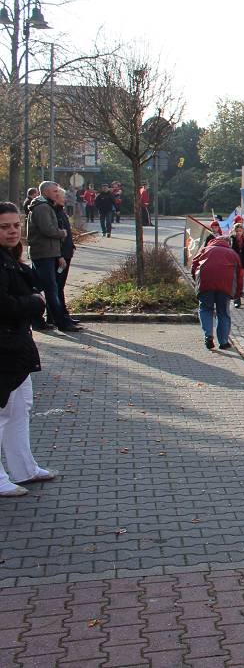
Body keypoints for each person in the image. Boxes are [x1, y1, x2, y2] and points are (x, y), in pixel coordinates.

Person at [0, 201, 57, 496]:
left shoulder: (10, 258)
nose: (12, 231)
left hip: (16, 346)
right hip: (5, 347)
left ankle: (24, 467)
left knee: (21, 408)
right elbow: (4, 306)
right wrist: (35, 302)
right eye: (4, 227)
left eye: (15, 225)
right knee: (3, 412)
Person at [24, 182, 79, 333]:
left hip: (47, 252)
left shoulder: (45, 206)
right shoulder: (42, 207)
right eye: (55, 191)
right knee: (50, 289)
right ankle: (60, 322)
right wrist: (62, 233)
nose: (57, 193)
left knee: (41, 287)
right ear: (46, 192)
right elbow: (48, 229)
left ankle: (40, 321)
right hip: (44, 253)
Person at [191, 234, 242, 351]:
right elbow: (240, 275)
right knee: (223, 312)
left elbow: (194, 266)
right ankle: (223, 342)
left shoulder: (205, 250)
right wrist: (237, 292)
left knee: (205, 309)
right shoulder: (233, 254)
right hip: (225, 286)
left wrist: (197, 281)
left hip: (205, 284)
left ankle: (208, 335)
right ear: (228, 243)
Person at [52, 191, 78, 328]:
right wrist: (60, 255)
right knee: (58, 287)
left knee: (59, 287)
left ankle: (63, 315)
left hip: (67, 253)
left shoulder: (61, 211)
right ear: (56, 198)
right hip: (61, 256)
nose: (65, 199)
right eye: (63, 197)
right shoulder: (54, 212)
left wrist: (71, 245)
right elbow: (57, 237)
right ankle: (60, 317)